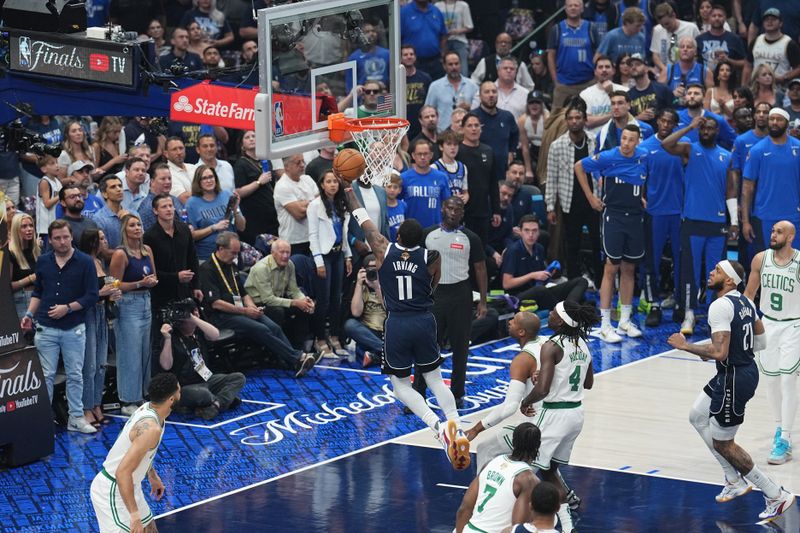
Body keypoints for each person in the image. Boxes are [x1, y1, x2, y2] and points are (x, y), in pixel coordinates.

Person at [339, 180, 470, 470]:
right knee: (435, 379)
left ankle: (436, 427)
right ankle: (456, 427)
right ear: (419, 239)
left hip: (397, 323)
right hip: (424, 320)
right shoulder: (431, 256)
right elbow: (433, 287)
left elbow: (365, 221)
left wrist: (349, 192)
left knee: (400, 386)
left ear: (397, 234)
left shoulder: (383, 250)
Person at [667, 260, 796, 521]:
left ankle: (775, 493)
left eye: (716, 271)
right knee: (697, 416)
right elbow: (761, 341)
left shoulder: (719, 306)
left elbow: (719, 351)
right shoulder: (746, 302)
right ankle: (732, 479)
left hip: (734, 377)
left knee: (724, 444)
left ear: (728, 280)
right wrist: (723, 351)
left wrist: (686, 346)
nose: (711, 273)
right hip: (736, 371)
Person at [517, 300, 598, 532]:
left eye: (553, 311)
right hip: (576, 414)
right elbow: (589, 383)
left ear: (561, 320)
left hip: (555, 415)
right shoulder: (583, 343)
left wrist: (525, 401)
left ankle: (525, 521)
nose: (549, 314)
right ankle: (569, 523)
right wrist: (555, 376)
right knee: (550, 469)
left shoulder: (551, 346)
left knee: (524, 469)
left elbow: (542, 390)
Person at [199, 232, 317, 377]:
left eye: (237, 253)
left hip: (240, 310)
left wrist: (252, 307)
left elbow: (243, 293)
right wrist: (245, 311)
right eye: (233, 253)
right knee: (261, 328)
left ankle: (293, 362)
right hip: (221, 316)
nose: (235, 257)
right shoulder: (207, 269)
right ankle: (297, 358)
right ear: (221, 249)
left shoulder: (231, 265)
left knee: (274, 326)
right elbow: (216, 304)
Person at [20, 220, 99, 434]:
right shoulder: (44, 261)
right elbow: (38, 292)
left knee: (75, 374)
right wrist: (29, 314)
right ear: (50, 240)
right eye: (57, 238)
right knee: (45, 374)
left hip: (74, 327)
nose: (62, 241)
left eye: (65, 237)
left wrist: (68, 308)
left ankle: (76, 417)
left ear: (71, 236)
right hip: (45, 327)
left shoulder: (85, 262)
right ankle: (44, 419)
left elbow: (92, 295)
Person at [662, 115, 734, 336]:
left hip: (717, 224)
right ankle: (689, 314)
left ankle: (715, 316)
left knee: (717, 272)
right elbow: (666, 144)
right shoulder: (689, 149)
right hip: (692, 222)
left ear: (717, 132)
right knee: (690, 272)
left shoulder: (726, 156)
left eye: (711, 127)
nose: (706, 130)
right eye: (703, 127)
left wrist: (736, 222)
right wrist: (690, 126)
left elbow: (731, 190)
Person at [575, 124, 647, 342]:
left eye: (630, 140)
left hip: (635, 217)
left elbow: (643, 180)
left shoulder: (644, 157)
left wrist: (642, 196)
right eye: (623, 138)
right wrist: (591, 198)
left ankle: (625, 320)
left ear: (637, 142)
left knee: (629, 268)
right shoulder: (608, 156)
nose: (626, 143)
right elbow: (579, 166)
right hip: (613, 217)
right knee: (611, 267)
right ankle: (606, 324)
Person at [413, 196, 487, 407]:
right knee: (426, 346)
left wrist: (482, 300)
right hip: (434, 295)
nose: (454, 212)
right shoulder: (427, 235)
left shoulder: (470, 237)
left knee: (461, 347)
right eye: (450, 208)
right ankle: (418, 394)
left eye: (458, 209)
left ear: (463, 213)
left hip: (461, 294)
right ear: (442, 209)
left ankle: (457, 394)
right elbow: (417, 265)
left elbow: (480, 268)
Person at [90, 373, 179, 533]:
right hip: (112, 491)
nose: (181, 393)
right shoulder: (150, 428)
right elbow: (122, 472)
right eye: (179, 391)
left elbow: (141, 451)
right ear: (171, 399)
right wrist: (135, 516)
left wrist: (152, 476)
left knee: (150, 530)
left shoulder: (151, 409)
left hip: (130, 485)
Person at [744, 221, 800, 465]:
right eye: (772, 231)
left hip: (794, 324)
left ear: (791, 237)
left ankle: (785, 440)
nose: (773, 235)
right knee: (773, 379)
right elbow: (748, 295)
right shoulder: (760, 259)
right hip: (768, 324)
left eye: (779, 232)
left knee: (788, 379)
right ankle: (779, 428)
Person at [545, 104, 601, 286]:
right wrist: (550, 206)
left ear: (585, 120)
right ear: (566, 121)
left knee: (597, 243)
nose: (574, 121)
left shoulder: (594, 141)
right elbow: (551, 177)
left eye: (578, 118)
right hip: (570, 202)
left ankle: (601, 281)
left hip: (594, 201)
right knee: (572, 245)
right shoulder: (557, 145)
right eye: (571, 118)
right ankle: (574, 283)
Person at [159, 302, 245, 420]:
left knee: (238, 377)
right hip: (184, 387)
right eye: (191, 315)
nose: (196, 316)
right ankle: (222, 400)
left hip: (206, 379)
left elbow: (215, 335)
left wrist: (193, 318)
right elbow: (166, 365)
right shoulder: (172, 337)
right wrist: (167, 339)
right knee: (203, 394)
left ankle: (215, 404)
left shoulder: (198, 333)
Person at [638, 109, 684, 325]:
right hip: (654, 213)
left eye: (670, 121)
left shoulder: (683, 146)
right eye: (662, 120)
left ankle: (679, 303)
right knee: (652, 263)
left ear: (675, 124)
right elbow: (639, 179)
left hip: (679, 212)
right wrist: (641, 199)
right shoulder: (645, 147)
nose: (665, 124)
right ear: (657, 121)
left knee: (681, 260)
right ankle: (653, 305)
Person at [109, 214, 158, 415]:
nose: (137, 228)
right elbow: (113, 284)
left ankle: (144, 394)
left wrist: (152, 282)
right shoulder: (121, 254)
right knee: (130, 353)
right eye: (132, 225)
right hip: (128, 304)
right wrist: (140, 284)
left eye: (139, 224)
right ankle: (128, 400)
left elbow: (153, 275)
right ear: (125, 230)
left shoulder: (147, 250)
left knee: (145, 351)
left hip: (146, 301)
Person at [455, 423, 541, 533]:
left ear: (513, 441)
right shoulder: (529, 480)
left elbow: (464, 509)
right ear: (538, 445)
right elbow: (518, 528)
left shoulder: (491, 463)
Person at [308, 170, 352, 358]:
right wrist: (318, 261)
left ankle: (334, 337)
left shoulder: (341, 204)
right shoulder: (314, 205)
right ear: (322, 185)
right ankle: (319, 339)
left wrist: (348, 256)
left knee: (337, 299)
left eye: (335, 181)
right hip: (323, 256)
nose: (333, 184)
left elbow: (344, 234)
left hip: (338, 254)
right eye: (329, 181)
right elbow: (313, 235)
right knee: (323, 300)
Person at [742, 108, 800, 251]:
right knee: (767, 263)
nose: (774, 122)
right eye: (771, 119)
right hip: (765, 216)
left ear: (787, 123)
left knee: (794, 263)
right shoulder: (757, 150)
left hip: (794, 216)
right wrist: (745, 222)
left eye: (779, 119)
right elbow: (747, 188)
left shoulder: (798, 148)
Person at [78, 229, 120, 427]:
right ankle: (86, 407)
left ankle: (97, 404)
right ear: (93, 242)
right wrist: (101, 292)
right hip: (88, 315)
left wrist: (111, 295)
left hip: (102, 312)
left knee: (101, 363)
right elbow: (80, 294)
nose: (106, 241)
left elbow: (104, 291)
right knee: (90, 364)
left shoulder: (100, 262)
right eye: (102, 239)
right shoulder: (82, 263)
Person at [502, 215, 589, 308]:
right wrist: (532, 275)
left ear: (539, 232)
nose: (531, 235)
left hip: (539, 290)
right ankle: (565, 311)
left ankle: (568, 308)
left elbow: (541, 279)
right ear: (520, 232)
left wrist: (548, 274)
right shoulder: (513, 250)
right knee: (540, 290)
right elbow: (507, 284)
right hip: (518, 296)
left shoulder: (539, 248)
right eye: (527, 230)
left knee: (581, 281)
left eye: (534, 231)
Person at [244, 238, 314, 349]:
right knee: (278, 311)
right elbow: (268, 299)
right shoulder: (261, 268)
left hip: (278, 300)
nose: (285, 256)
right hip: (259, 305)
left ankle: (299, 348)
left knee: (304, 308)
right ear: (272, 253)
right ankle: (279, 349)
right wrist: (295, 302)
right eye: (282, 252)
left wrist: (304, 300)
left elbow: (294, 290)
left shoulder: (290, 264)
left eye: (288, 252)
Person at [144, 193, 202, 312]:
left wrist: (196, 286)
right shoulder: (149, 236)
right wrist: (176, 277)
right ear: (155, 211)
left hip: (185, 289)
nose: (169, 209)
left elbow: (192, 258)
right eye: (164, 207)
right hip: (162, 293)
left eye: (171, 205)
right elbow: (152, 271)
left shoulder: (184, 229)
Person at [546, 0, 600, 108]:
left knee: (590, 117)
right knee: (557, 121)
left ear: (582, 8)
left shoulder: (591, 28)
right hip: (563, 84)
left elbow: (598, 53)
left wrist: (596, 78)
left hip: (588, 82)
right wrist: (556, 81)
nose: (573, 8)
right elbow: (550, 55)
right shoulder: (557, 29)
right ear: (565, 9)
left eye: (576, 5)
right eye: (570, 5)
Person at [186, 165, 246, 261]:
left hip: (231, 254)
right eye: (204, 178)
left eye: (211, 177)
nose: (209, 180)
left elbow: (242, 227)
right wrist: (214, 228)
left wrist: (236, 210)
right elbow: (192, 236)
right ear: (198, 182)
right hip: (207, 257)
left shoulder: (227, 195)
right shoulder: (191, 203)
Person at [458, 113, 499, 247]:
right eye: (470, 125)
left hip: (483, 210)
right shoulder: (457, 151)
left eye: (476, 125)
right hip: (463, 210)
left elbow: (493, 183)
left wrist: (496, 210)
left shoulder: (488, 151)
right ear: (462, 128)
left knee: (480, 248)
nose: (474, 129)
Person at [233, 130, 278, 244]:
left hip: (271, 215)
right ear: (242, 145)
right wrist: (258, 182)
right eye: (247, 137)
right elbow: (239, 192)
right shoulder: (240, 164)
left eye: (254, 136)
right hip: (254, 217)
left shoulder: (265, 160)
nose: (252, 139)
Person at [473, 81, 520, 185]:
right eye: (487, 92)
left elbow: (515, 134)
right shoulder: (473, 118)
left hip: (502, 171)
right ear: (480, 96)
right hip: (479, 171)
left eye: (494, 92)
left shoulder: (507, 116)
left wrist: (511, 151)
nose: (491, 95)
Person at [344, 253, 386, 367]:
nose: (373, 272)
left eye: (376, 269)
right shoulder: (360, 285)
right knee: (350, 324)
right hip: (368, 333)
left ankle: (378, 355)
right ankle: (387, 352)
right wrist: (358, 284)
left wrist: (377, 287)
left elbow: (391, 310)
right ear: (363, 270)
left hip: (388, 332)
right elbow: (356, 312)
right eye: (370, 269)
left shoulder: (388, 282)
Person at [273, 154, 319, 256]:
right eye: (298, 162)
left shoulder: (307, 179)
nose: (302, 165)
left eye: (303, 161)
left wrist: (304, 203)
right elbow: (299, 213)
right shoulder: (282, 185)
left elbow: (322, 203)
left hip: (313, 237)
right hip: (293, 241)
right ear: (287, 167)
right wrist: (313, 201)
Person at [424, 52, 479, 135]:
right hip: (443, 136)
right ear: (444, 66)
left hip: (467, 135)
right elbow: (428, 112)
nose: (454, 67)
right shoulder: (435, 87)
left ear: (460, 64)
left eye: (456, 64)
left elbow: (480, 111)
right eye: (450, 64)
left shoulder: (472, 85)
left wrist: (470, 107)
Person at [400, 139, 451, 228]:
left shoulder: (441, 177)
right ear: (413, 155)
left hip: (436, 229)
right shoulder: (404, 178)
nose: (422, 157)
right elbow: (395, 203)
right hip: (411, 230)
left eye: (425, 154)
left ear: (431, 155)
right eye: (419, 154)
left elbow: (447, 204)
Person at [580, 55, 629, 136]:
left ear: (613, 70)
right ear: (595, 72)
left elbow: (628, 117)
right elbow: (587, 122)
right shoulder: (585, 94)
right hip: (593, 140)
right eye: (600, 67)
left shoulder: (625, 91)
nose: (604, 70)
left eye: (607, 67)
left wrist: (611, 92)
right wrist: (613, 115)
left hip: (620, 139)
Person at [650, 2, 700, 81]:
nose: (665, 27)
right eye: (662, 25)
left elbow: (698, 53)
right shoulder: (658, 30)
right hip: (665, 71)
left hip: (688, 72)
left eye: (667, 23)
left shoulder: (691, 28)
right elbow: (655, 55)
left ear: (674, 15)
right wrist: (666, 70)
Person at [9, 213, 41, 320]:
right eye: (24, 226)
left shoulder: (36, 251)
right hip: (20, 299)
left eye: (31, 225)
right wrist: (31, 278)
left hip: (39, 298)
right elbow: (6, 287)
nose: (29, 229)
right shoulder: (11, 253)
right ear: (16, 229)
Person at [137, 163, 185, 232]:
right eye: (163, 179)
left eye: (169, 178)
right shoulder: (147, 207)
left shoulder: (175, 199)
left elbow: (185, 219)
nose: (168, 182)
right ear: (152, 182)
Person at [517, 90, 549, 183]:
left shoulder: (547, 118)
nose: (534, 105)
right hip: (531, 151)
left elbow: (549, 145)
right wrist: (528, 170)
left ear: (542, 105)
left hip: (545, 151)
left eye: (537, 102)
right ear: (527, 105)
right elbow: (525, 146)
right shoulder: (522, 120)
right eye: (531, 103)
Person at [91, 175, 128, 251]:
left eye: (120, 186)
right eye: (113, 187)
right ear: (104, 194)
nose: (119, 189)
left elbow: (141, 243)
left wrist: (128, 220)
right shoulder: (98, 218)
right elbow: (104, 252)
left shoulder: (133, 214)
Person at [35, 155, 62, 245]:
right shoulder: (44, 182)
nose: (57, 165)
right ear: (44, 169)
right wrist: (61, 195)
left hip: (56, 223)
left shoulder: (57, 181)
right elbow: (47, 204)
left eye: (57, 162)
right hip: (45, 228)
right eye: (52, 163)